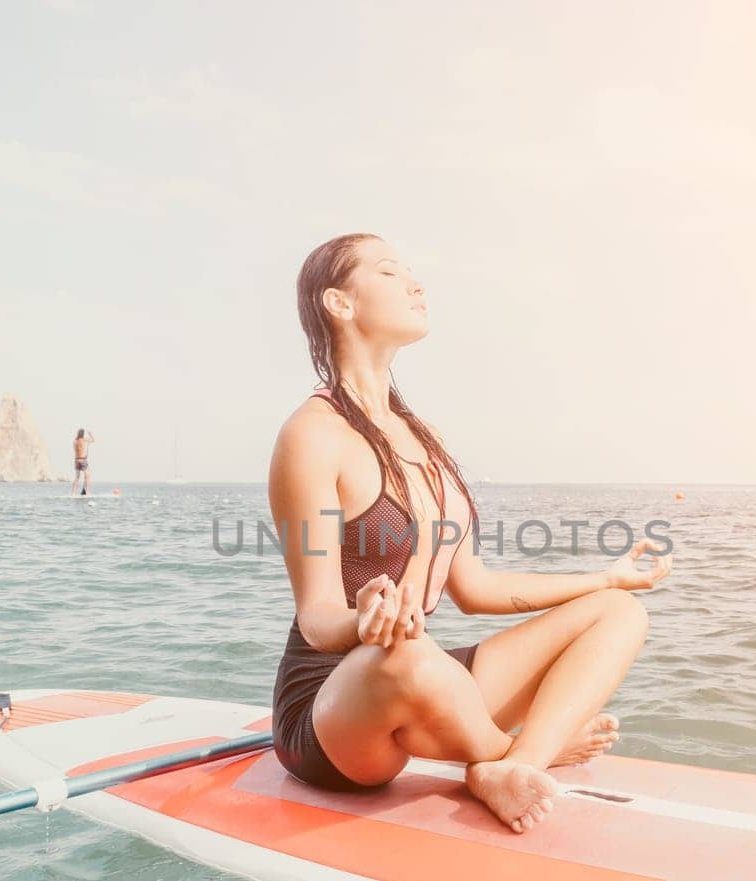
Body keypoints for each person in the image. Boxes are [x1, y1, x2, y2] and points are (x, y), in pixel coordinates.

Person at [268, 234, 672, 834]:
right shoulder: (313, 434)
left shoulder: (421, 436)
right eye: (388, 272)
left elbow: (474, 588)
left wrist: (607, 577)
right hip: (333, 712)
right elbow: (318, 617)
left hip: (422, 673)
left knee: (617, 614)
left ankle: (510, 766)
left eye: (410, 272)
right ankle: (513, 750)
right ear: (340, 303)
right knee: (405, 653)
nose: (415, 283)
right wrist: (366, 623)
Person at [71, 429, 95, 496]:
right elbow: (93, 440)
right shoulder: (84, 439)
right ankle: (87, 492)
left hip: (76, 460)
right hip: (83, 460)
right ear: (83, 434)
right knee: (87, 477)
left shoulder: (75, 441)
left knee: (77, 477)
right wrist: (90, 434)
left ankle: (73, 493)